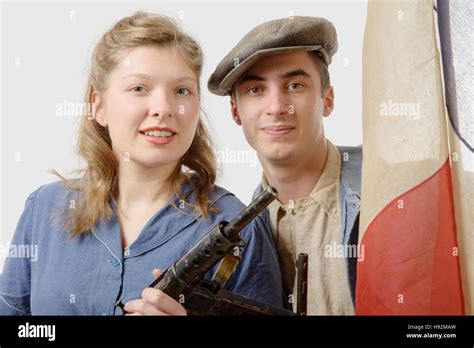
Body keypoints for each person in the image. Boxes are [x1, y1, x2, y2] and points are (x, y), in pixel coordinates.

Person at [0, 11, 284, 316]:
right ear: (99, 107)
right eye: (139, 88)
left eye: (181, 90)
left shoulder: (240, 229)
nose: (163, 108)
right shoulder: (44, 208)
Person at [208, 16, 362, 315]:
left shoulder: (393, 188)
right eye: (255, 90)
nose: (277, 107)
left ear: (327, 100)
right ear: (235, 112)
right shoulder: (236, 236)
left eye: (295, 85)